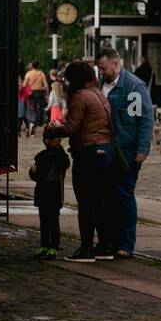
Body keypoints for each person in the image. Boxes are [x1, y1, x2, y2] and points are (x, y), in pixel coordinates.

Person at [48, 61, 116, 263]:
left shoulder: (80, 97)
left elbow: (71, 128)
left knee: (86, 201)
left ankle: (86, 248)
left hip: (88, 152)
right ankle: (105, 245)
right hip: (106, 151)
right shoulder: (99, 95)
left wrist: (52, 130)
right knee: (101, 201)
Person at [97, 47, 154, 259]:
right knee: (107, 196)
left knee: (124, 195)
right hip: (105, 151)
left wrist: (142, 150)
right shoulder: (99, 86)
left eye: (104, 68)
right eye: (100, 69)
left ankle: (126, 243)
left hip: (127, 150)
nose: (102, 72)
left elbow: (145, 120)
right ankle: (109, 241)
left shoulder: (133, 87)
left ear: (115, 63)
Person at [30, 127, 70, 260]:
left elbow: (63, 164)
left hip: (54, 191)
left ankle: (54, 246)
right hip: (43, 191)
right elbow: (37, 175)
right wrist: (33, 171)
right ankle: (45, 244)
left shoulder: (60, 156)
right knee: (44, 220)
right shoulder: (42, 156)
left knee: (53, 220)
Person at [23, 61, 49, 138]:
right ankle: (34, 127)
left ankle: (31, 123)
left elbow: (24, 85)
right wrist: (47, 94)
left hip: (31, 94)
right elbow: (46, 85)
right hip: (40, 93)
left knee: (31, 110)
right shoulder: (41, 73)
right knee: (39, 111)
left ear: (32, 66)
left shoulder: (28, 74)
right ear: (38, 66)